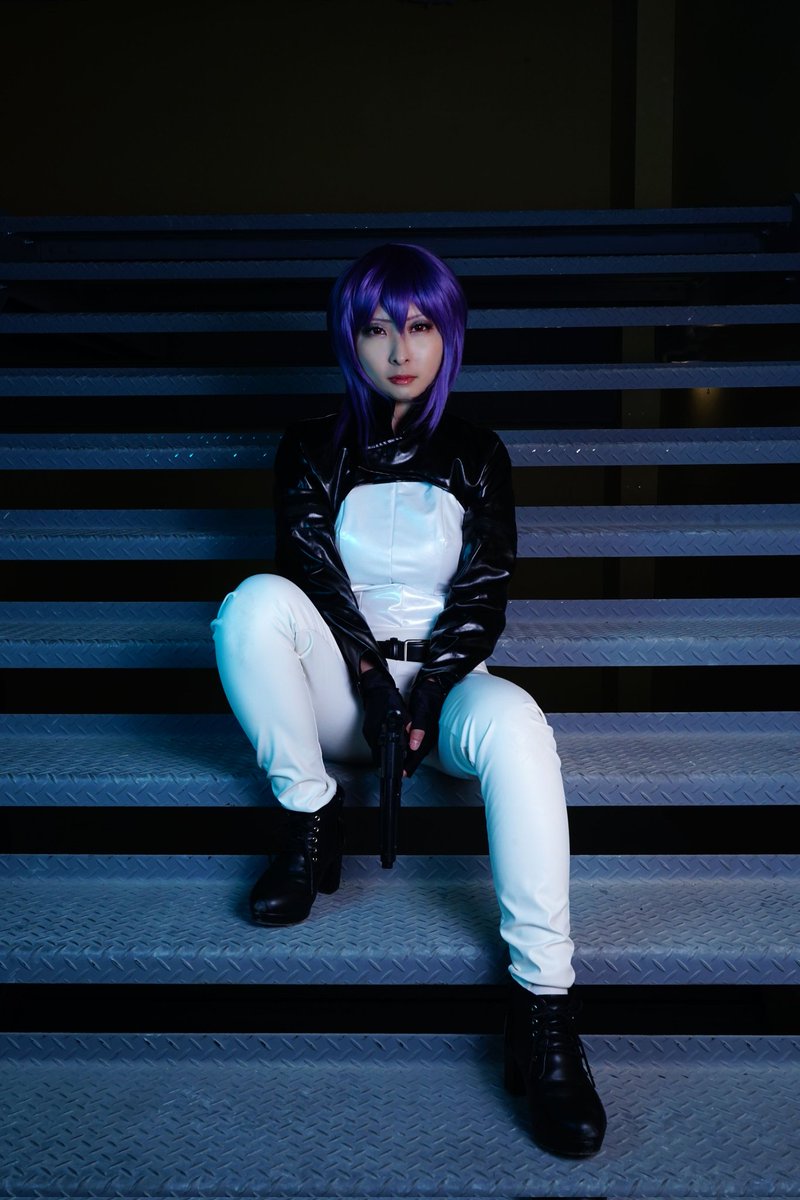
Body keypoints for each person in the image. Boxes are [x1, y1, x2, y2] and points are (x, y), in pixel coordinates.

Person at [210, 242, 606, 1159]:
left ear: (447, 336)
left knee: (518, 724)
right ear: (348, 338)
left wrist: (427, 695)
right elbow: (312, 573)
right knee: (251, 606)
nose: (399, 350)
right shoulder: (311, 447)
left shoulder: (477, 453)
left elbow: (484, 591)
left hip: (446, 685)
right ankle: (311, 815)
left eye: (420, 326)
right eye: (378, 328)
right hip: (340, 693)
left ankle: (544, 1008)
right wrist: (371, 688)